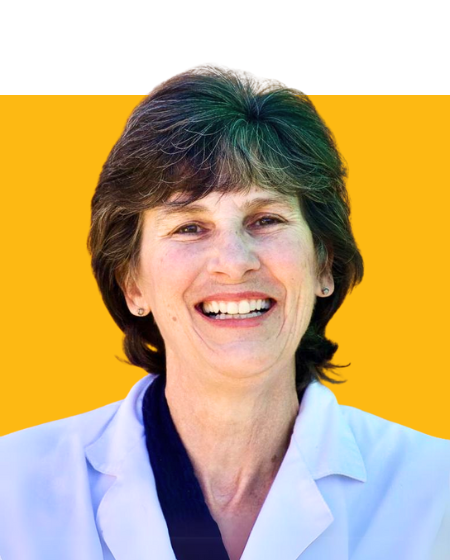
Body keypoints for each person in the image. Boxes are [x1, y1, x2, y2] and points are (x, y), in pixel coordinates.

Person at [0, 66, 449, 560]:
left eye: (265, 220)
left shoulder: (434, 492)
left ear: (324, 263)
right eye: (190, 227)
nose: (234, 262)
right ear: (132, 283)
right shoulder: (13, 492)